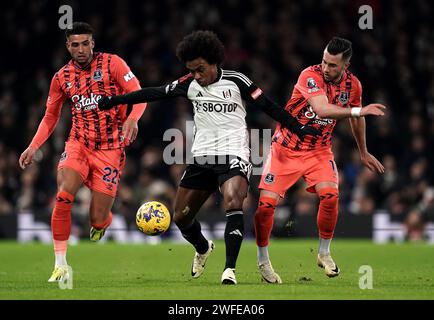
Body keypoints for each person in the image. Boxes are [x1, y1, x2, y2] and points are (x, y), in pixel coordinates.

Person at [98, 30, 320, 284]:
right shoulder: (188, 84)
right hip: (202, 157)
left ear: (214, 62)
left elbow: (269, 107)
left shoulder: (237, 81)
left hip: (234, 153)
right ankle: (203, 247)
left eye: (200, 69)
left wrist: (299, 128)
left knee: (233, 201)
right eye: (192, 70)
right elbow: (154, 92)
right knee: (181, 217)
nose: (196, 75)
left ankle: (229, 270)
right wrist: (115, 101)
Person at [18, 22, 147, 282]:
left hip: (111, 149)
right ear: (68, 46)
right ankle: (60, 264)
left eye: (84, 43)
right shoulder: (61, 78)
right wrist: (34, 145)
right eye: (74, 44)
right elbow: (50, 116)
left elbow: (138, 94)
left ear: (92, 43)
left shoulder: (113, 64)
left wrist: (133, 118)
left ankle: (102, 222)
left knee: (97, 219)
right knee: (64, 194)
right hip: (78, 144)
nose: (80, 49)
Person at [254, 37, 386, 283]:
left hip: (318, 151)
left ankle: (324, 253)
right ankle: (263, 261)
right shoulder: (309, 75)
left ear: (346, 65)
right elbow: (323, 109)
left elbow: (357, 120)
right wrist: (359, 110)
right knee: (265, 207)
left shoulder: (353, 86)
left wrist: (363, 151)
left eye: (333, 65)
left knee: (331, 196)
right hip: (285, 149)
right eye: (324, 62)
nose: (326, 68)